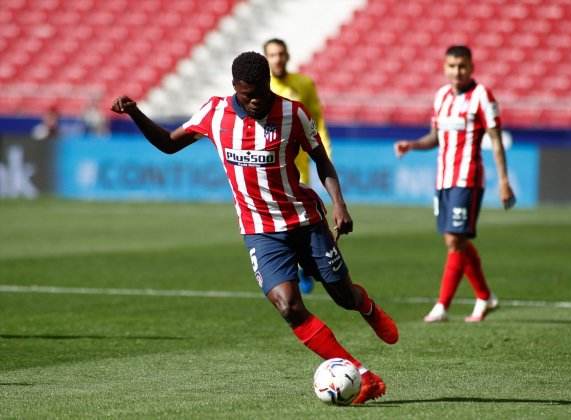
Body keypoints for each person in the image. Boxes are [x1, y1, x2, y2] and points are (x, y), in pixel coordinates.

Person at [111, 51, 398, 404]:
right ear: (235, 87)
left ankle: (365, 306)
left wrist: (339, 203)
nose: (257, 99)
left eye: (262, 91)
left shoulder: (293, 113)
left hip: (305, 222)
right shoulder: (214, 113)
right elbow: (169, 145)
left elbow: (321, 160)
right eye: (249, 94)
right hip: (260, 230)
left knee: (341, 295)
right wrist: (137, 113)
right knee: (289, 306)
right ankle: (362, 373)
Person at [394, 45, 516, 323]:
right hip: (443, 179)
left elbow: (496, 140)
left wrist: (505, 181)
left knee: (455, 240)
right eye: (451, 66)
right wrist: (412, 145)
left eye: (461, 66)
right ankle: (485, 297)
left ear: (471, 67)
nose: (456, 71)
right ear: (444, 67)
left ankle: (442, 305)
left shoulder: (483, 96)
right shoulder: (441, 96)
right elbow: (435, 137)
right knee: (455, 239)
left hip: (468, 179)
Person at [263, 38, 332, 295]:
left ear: (288, 55)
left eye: (281, 53)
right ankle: (292, 264)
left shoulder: (303, 84)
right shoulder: (261, 86)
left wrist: (324, 150)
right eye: (272, 54)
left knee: (296, 218)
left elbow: (317, 119)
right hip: (269, 164)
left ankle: (302, 266)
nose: (278, 58)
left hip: (297, 162)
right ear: (266, 58)